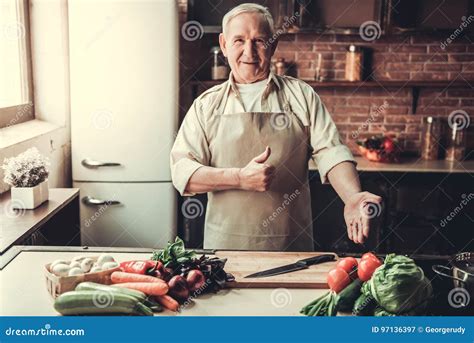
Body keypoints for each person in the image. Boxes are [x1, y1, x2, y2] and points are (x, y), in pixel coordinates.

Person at [170, 3, 382, 251]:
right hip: (226, 248)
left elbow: (331, 152)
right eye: (239, 40)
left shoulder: (301, 95)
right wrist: (239, 178)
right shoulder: (206, 105)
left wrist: (352, 196)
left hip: (291, 247)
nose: (249, 51)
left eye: (259, 40)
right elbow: (183, 172)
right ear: (224, 45)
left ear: (273, 45)